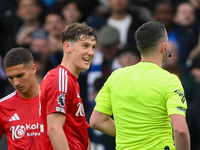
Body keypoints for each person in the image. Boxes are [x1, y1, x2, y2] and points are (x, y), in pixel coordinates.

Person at [90, 21, 190, 150]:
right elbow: (181, 130)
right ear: (162, 46)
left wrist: (129, 134)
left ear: (139, 47)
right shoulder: (169, 80)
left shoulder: (116, 76)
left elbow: (96, 121)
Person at [40, 22, 97, 150]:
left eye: (93, 47)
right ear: (67, 47)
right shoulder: (60, 79)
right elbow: (54, 129)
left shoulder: (70, 81)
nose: (91, 52)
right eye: (85, 46)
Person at [0, 47, 49, 150]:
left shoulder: (54, 100)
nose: (16, 83)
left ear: (33, 69)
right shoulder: (3, 106)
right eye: (11, 78)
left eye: (20, 75)